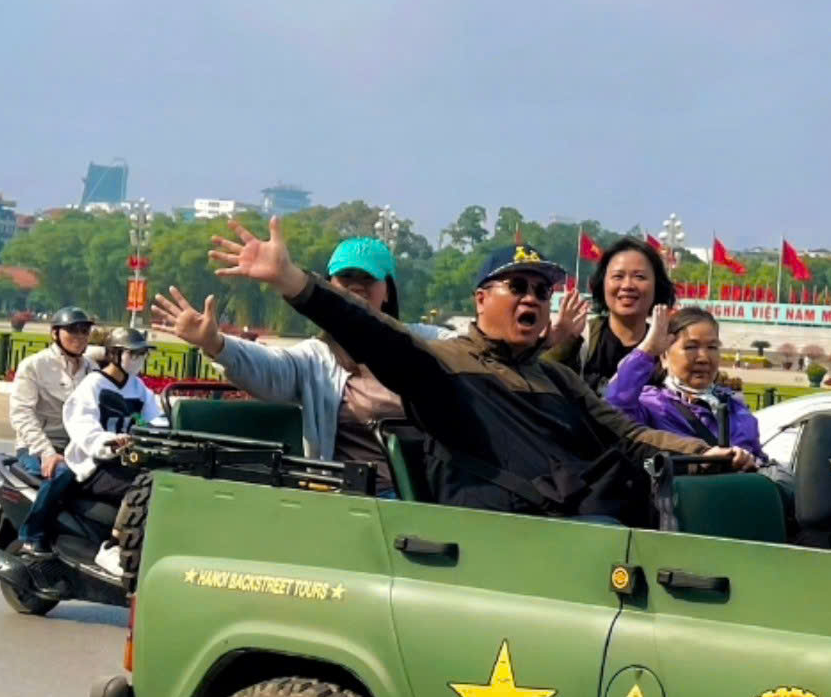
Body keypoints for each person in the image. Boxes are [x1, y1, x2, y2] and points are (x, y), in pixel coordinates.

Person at [210, 221, 748, 521]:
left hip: (573, 532)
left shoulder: (556, 379)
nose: (532, 299)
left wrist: (705, 454)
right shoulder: (445, 363)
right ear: (481, 298)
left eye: (541, 290)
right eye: (517, 287)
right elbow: (373, 332)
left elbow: (627, 435)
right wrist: (293, 281)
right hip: (494, 545)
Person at [151, 236, 421, 482]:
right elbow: (269, 368)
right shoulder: (317, 359)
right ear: (329, 286)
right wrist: (214, 342)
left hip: (432, 494)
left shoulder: (426, 344)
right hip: (355, 496)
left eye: (368, 278)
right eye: (345, 276)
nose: (356, 285)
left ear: (387, 290)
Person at [15, 326, 163, 559]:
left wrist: (159, 435)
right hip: (94, 463)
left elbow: (157, 419)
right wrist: (109, 442)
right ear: (114, 354)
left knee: (162, 483)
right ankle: (114, 546)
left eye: (142, 354)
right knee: (138, 489)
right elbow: (82, 425)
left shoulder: (138, 387)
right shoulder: (93, 384)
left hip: (126, 460)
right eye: (133, 354)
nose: (138, 360)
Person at [602, 305, 762, 456]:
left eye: (712, 347)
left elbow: (758, 459)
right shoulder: (652, 405)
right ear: (664, 357)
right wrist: (648, 349)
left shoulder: (736, 408)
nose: (704, 358)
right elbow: (614, 408)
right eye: (691, 347)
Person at [558, 236, 671, 390]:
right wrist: (561, 345)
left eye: (639, 277)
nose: (627, 285)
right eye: (618, 276)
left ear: (657, 285)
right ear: (602, 283)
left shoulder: (669, 346)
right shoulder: (581, 339)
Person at [7, 305, 96, 477]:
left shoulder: (92, 369)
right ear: (55, 333)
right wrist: (47, 452)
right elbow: (21, 413)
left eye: (84, 331)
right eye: (72, 330)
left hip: (77, 447)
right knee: (62, 473)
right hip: (37, 446)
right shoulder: (34, 365)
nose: (79, 336)